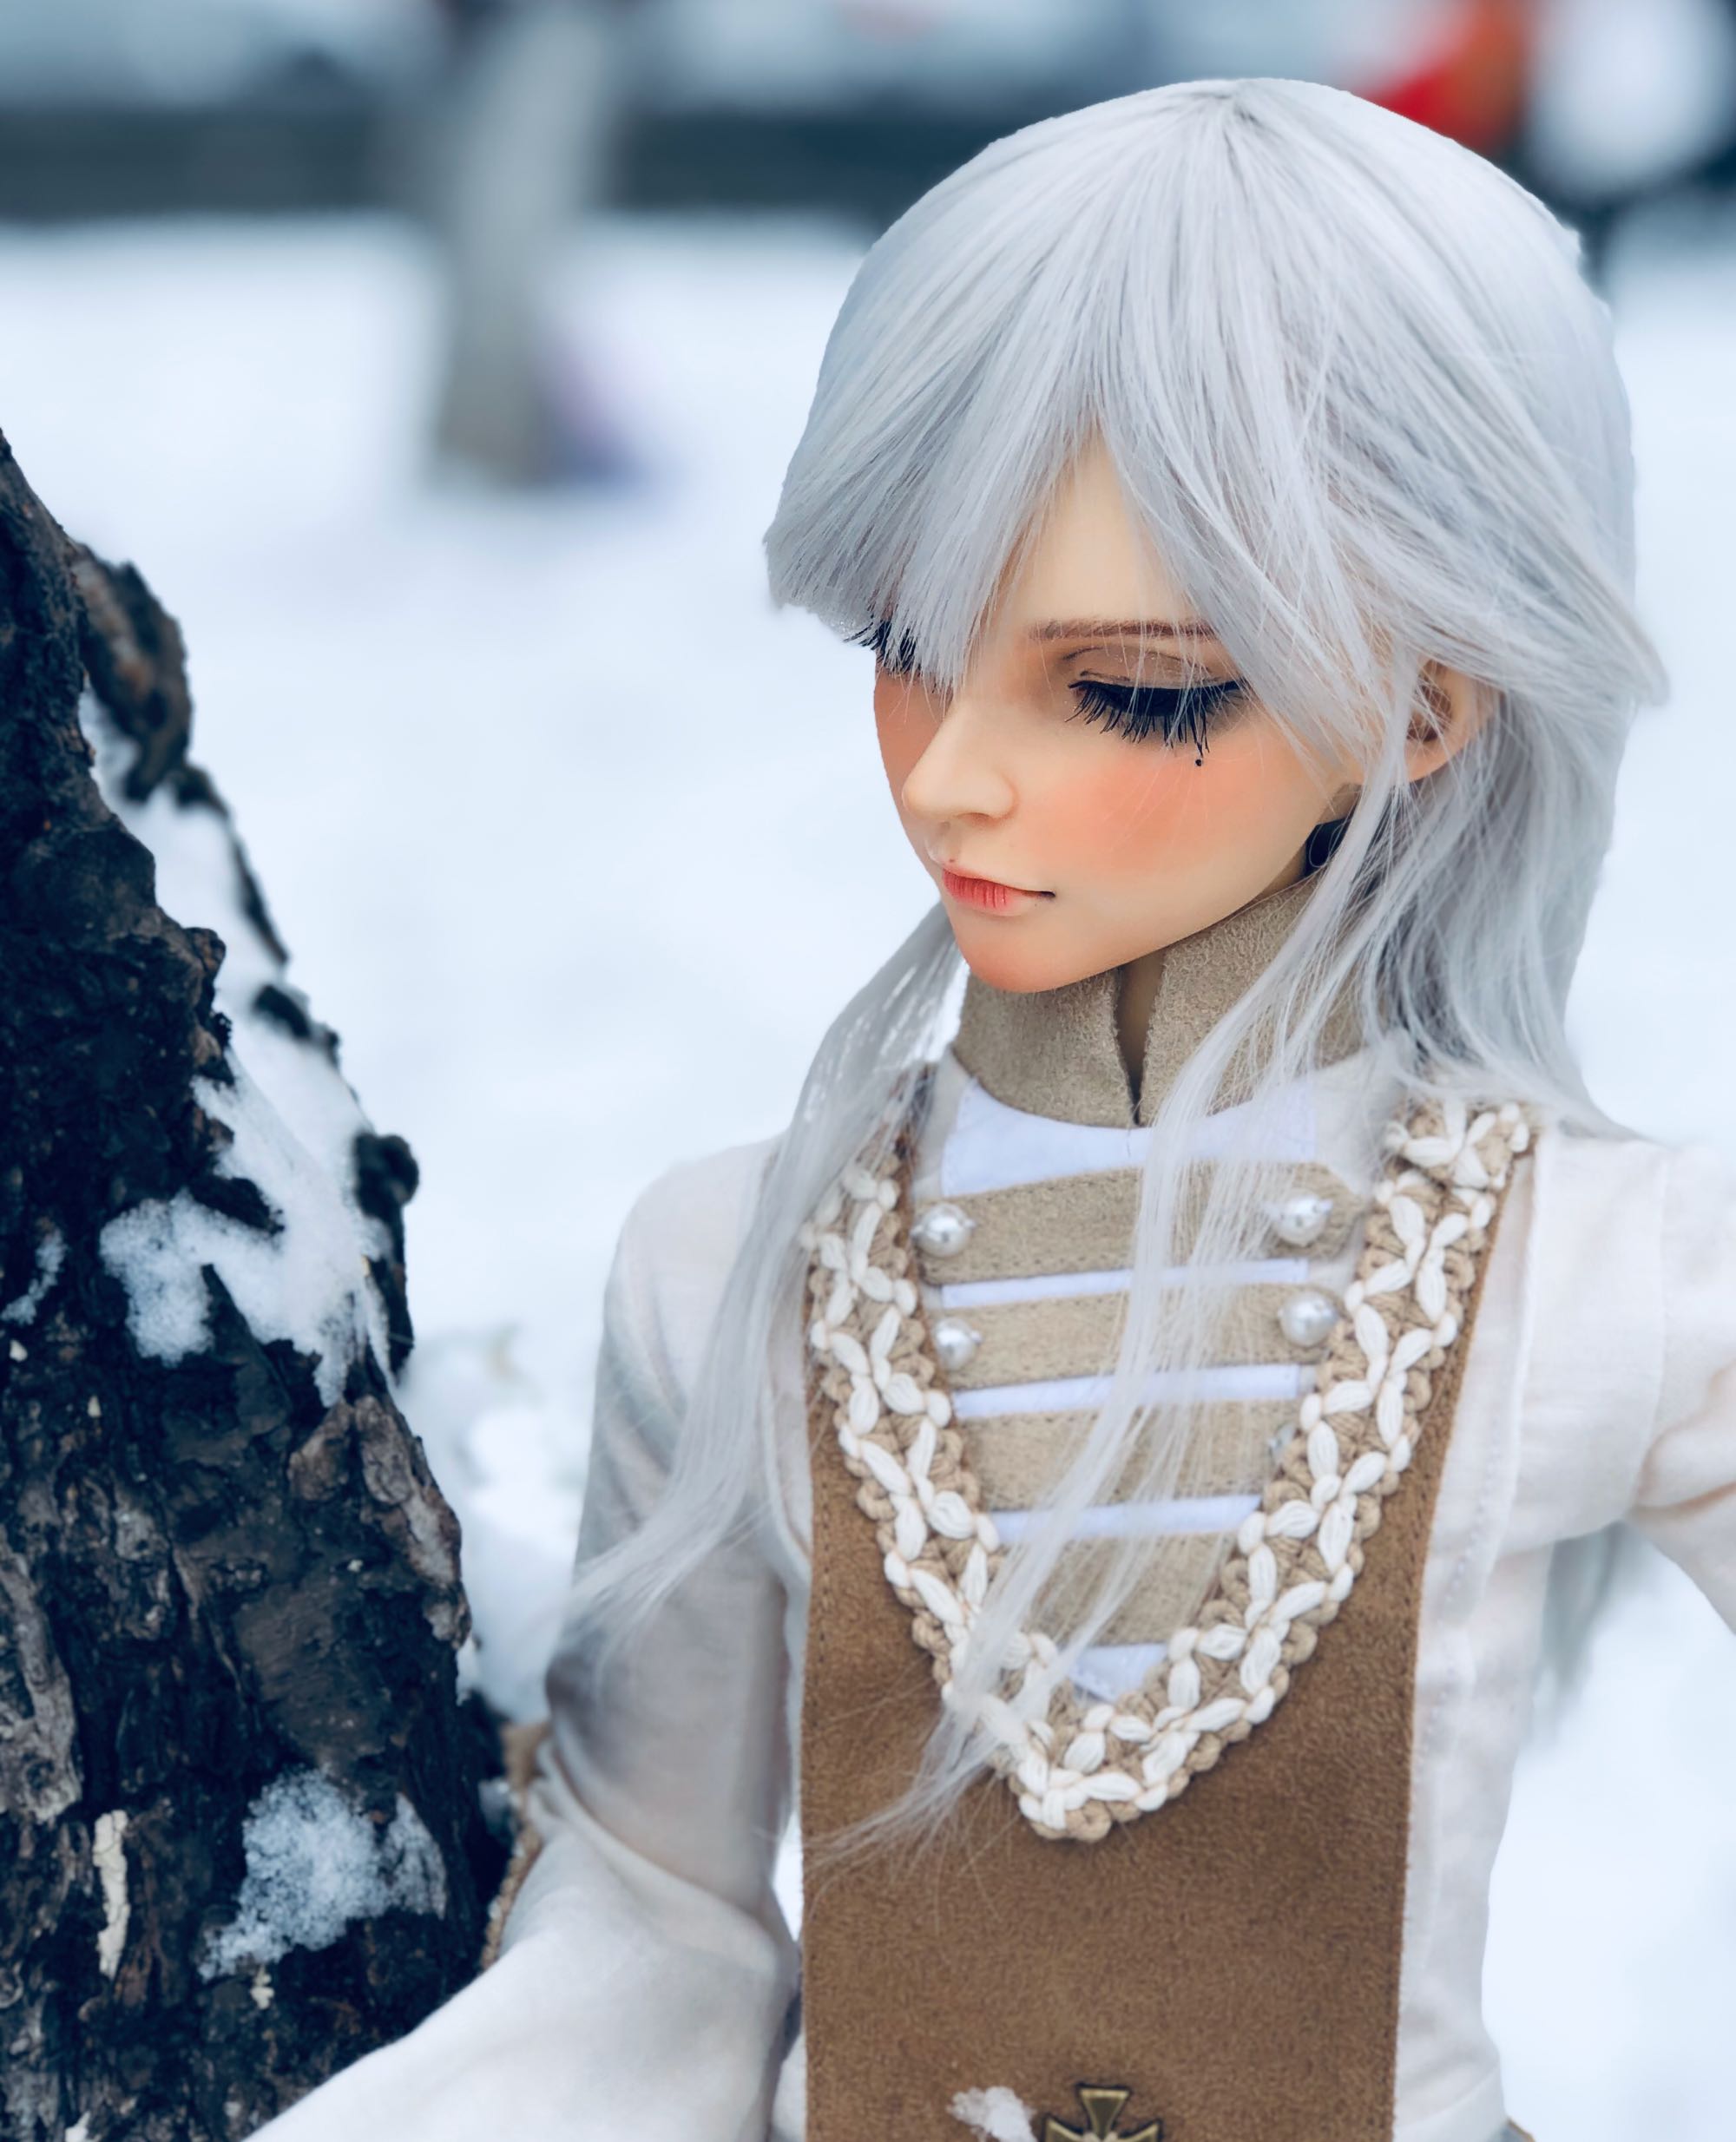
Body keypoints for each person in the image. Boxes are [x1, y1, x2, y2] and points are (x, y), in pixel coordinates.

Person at [256, 77, 1734, 2142]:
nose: (951, 778)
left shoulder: (1596, 1266)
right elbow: (653, 1917)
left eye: (1127, 687)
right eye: (906, 649)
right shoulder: (738, 1267)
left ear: (1419, 707)